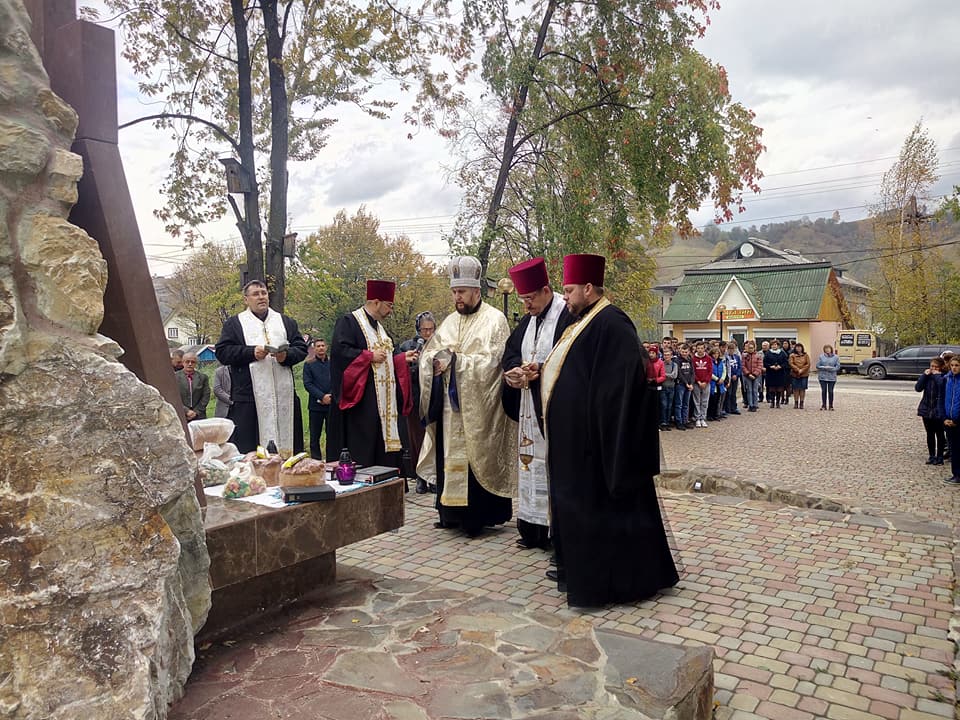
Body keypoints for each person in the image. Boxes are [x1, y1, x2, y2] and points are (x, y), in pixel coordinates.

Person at [541, 253, 679, 607]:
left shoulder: (613, 323)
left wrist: (593, 431)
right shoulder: (582, 321)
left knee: (608, 518)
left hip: (599, 448)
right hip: (578, 445)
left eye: (569, 291)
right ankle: (583, 572)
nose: (565, 298)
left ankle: (616, 585)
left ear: (589, 288)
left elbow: (619, 391)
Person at [418, 256, 516, 537]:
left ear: (476, 291)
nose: (457, 297)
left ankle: (477, 517)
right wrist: (434, 363)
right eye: (454, 292)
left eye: (461, 292)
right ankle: (449, 514)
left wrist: (457, 362)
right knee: (448, 457)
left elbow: (494, 361)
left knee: (476, 460)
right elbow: (428, 356)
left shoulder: (494, 320)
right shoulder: (449, 321)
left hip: (478, 411)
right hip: (449, 410)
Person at [501, 257, 574, 550]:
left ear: (546, 290)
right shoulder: (528, 321)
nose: (526, 306)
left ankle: (557, 532)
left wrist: (542, 371)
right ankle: (532, 530)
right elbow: (509, 354)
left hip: (554, 409)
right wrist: (514, 372)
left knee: (553, 466)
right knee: (530, 466)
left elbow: (571, 361)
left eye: (530, 299)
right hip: (528, 405)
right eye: (522, 300)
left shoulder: (566, 315)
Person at [327, 280, 415, 468]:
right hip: (361, 404)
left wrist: (400, 359)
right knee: (364, 446)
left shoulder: (381, 330)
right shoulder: (349, 322)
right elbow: (339, 353)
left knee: (381, 444)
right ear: (376, 302)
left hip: (383, 403)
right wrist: (368, 356)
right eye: (389, 305)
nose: (391, 310)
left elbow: (386, 360)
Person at [215, 280, 309, 454]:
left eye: (264, 293)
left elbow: (301, 348)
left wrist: (285, 356)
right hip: (250, 398)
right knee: (252, 450)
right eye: (255, 294)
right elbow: (222, 352)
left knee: (287, 447)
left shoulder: (285, 321)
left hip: (283, 395)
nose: (261, 297)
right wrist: (251, 353)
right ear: (246, 299)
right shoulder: (235, 324)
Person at [399, 312, 438, 493]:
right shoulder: (408, 346)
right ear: (418, 329)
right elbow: (402, 373)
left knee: (433, 438)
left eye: (430, 329)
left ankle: (434, 477)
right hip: (415, 401)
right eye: (424, 329)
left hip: (434, 400)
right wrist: (413, 364)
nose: (427, 333)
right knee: (417, 439)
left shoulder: (440, 344)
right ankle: (420, 476)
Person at [303, 338, 332, 460]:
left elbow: (338, 380)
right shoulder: (309, 364)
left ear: (326, 347)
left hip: (331, 403)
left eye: (323, 345)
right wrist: (321, 396)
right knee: (315, 436)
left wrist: (330, 396)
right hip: (316, 406)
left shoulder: (333, 363)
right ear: (314, 348)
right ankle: (316, 461)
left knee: (332, 435)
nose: (320, 348)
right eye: (318, 346)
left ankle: (332, 459)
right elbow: (307, 384)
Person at [916, 357, 946, 466]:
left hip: (938, 409)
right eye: (931, 366)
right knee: (930, 433)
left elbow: (942, 386)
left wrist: (937, 375)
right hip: (926, 408)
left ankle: (940, 456)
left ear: (941, 367)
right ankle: (932, 455)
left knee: (940, 433)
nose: (933, 369)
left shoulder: (943, 377)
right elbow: (918, 388)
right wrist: (924, 376)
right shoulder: (927, 377)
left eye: (935, 367)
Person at [176, 352, 210, 420]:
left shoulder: (203, 377)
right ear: (183, 362)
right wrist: (186, 411)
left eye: (193, 362)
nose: (190, 364)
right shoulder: (174, 377)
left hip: (199, 415)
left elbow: (206, 395)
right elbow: (173, 396)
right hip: (180, 414)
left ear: (196, 363)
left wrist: (196, 412)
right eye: (187, 361)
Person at [942, 357, 960, 485]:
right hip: (948, 419)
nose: (954, 368)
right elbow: (942, 400)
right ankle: (956, 474)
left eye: (957, 365)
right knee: (953, 449)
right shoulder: (947, 379)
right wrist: (944, 418)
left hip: (958, 420)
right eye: (952, 365)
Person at [691, 341, 712, 427]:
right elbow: (693, 371)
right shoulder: (693, 359)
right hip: (697, 383)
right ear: (696, 349)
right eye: (698, 348)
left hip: (706, 383)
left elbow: (710, 371)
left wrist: (705, 382)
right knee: (697, 401)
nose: (700, 350)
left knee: (704, 401)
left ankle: (703, 418)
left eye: (702, 348)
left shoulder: (708, 358)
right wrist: (698, 381)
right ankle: (697, 418)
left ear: (704, 349)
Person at [673, 343, 694, 430]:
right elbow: (679, 374)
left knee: (686, 404)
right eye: (683, 351)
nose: (684, 353)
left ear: (688, 352)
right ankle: (679, 421)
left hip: (689, 385)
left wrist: (692, 383)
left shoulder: (690, 360)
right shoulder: (677, 360)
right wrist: (686, 383)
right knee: (679, 404)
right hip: (681, 384)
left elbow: (693, 373)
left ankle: (685, 420)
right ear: (680, 351)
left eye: (686, 352)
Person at [763, 339, 788, 408]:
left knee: (779, 388)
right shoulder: (768, 353)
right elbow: (765, 363)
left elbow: (786, 362)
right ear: (771, 346)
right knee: (772, 388)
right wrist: (771, 366)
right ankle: (772, 402)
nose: (774, 346)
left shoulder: (782, 353)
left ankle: (778, 402)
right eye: (773, 345)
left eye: (776, 344)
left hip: (780, 373)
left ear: (778, 345)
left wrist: (780, 366)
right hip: (771, 373)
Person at [741, 339, 763, 412]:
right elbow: (743, 366)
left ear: (754, 348)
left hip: (756, 376)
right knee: (749, 390)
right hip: (747, 376)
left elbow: (760, 366)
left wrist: (754, 374)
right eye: (749, 348)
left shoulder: (758, 355)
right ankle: (750, 405)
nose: (750, 349)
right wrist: (748, 374)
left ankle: (755, 405)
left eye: (752, 348)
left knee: (755, 390)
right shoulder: (744, 356)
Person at [816, 344, 840, 410]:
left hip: (832, 377)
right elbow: (818, 366)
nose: (827, 350)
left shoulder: (836, 357)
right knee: (824, 391)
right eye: (826, 349)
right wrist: (824, 367)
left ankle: (831, 405)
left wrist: (831, 368)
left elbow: (838, 367)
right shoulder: (821, 356)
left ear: (831, 349)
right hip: (822, 376)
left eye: (828, 348)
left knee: (830, 391)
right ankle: (823, 405)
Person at [660, 348, 679, 431]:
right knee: (663, 405)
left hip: (671, 387)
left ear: (671, 356)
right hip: (663, 387)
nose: (666, 356)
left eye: (668, 355)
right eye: (665, 355)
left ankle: (667, 422)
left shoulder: (674, 365)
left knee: (669, 406)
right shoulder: (661, 364)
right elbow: (660, 375)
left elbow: (674, 376)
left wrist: (664, 375)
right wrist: (668, 375)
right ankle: (663, 422)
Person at [789, 343, 811, 409]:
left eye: (800, 347)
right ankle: (796, 403)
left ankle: (801, 403)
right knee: (795, 389)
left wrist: (802, 370)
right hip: (795, 374)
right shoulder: (792, 355)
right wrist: (797, 369)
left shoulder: (806, 355)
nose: (798, 348)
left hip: (804, 374)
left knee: (802, 389)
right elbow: (791, 363)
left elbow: (808, 364)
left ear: (802, 348)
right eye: (797, 347)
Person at [723, 341, 741, 415]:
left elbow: (739, 367)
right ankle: (727, 408)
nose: (731, 351)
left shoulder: (737, 357)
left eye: (733, 349)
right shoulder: (726, 358)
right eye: (729, 349)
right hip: (728, 378)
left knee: (734, 393)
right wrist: (730, 376)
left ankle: (734, 407)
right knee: (728, 393)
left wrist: (736, 375)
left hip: (735, 378)